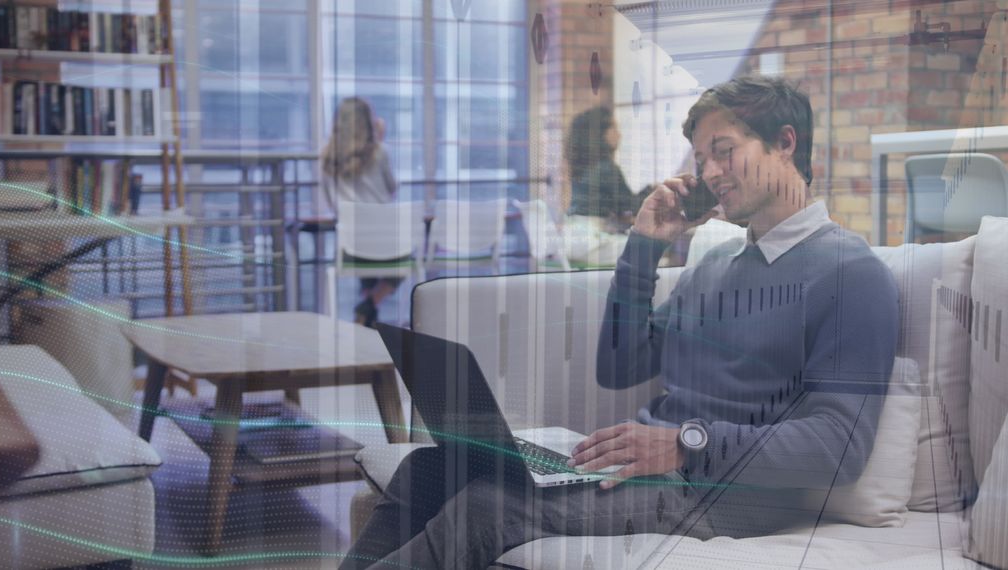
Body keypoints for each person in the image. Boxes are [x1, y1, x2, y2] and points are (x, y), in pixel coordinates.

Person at [340, 76, 899, 569]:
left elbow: (838, 447)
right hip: (645, 470)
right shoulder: (716, 262)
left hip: (720, 494)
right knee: (426, 472)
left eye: (724, 151)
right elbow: (619, 365)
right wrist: (644, 246)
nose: (709, 173)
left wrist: (686, 443)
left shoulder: (850, 274)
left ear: (785, 143)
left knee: (487, 508)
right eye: (701, 158)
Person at [320, 97, 400, 327]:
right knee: (407, 258)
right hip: (385, 243)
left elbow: (332, 203)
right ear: (369, 122)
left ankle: (368, 314)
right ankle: (369, 304)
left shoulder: (326, 156)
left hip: (351, 247)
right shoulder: (380, 151)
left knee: (365, 247)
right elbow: (392, 189)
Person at [564, 106, 648, 229]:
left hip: (572, 227)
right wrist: (652, 192)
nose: (619, 135)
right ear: (600, 133)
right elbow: (630, 206)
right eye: (614, 128)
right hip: (595, 231)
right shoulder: (606, 169)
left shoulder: (582, 168)